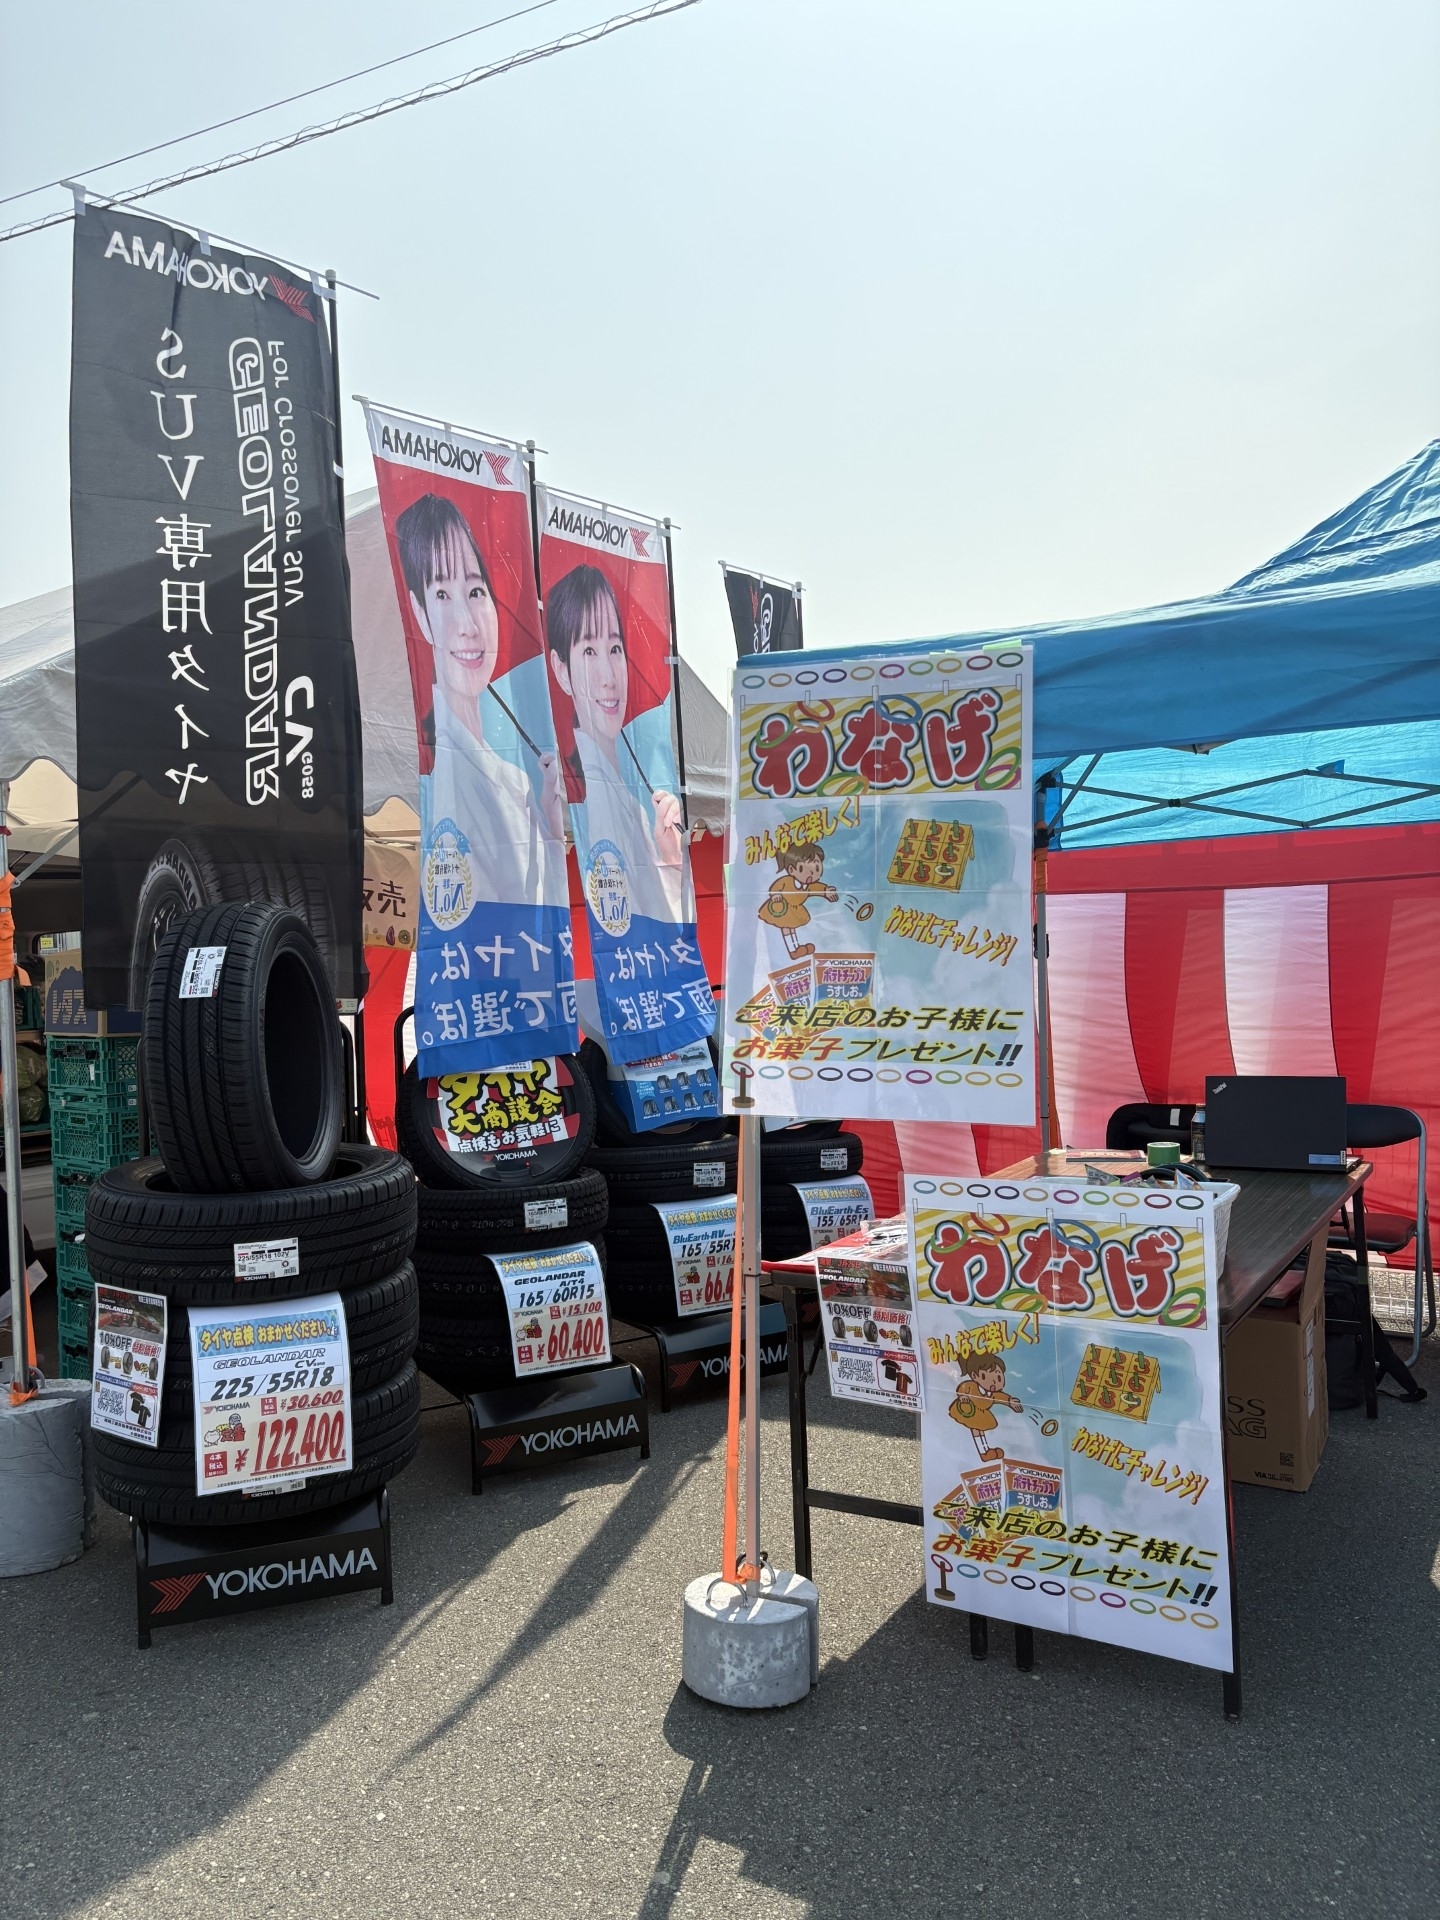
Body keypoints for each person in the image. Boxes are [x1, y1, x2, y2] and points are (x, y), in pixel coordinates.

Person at [395, 494, 564, 915]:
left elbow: (544, 904)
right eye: (441, 594)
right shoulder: (445, 776)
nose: (468, 625)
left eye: (475, 591)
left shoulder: (513, 775)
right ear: (419, 612)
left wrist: (549, 814)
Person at [545, 564, 683, 925]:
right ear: (561, 669)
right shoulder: (580, 795)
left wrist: (672, 858)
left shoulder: (638, 795)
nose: (609, 677)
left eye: (616, 648)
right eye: (589, 651)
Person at [757, 841, 839, 958]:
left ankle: (796, 947)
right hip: (781, 908)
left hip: (794, 909)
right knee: (786, 928)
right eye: (803, 868)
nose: (811, 873)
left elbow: (816, 888)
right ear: (791, 869)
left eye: (816, 868)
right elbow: (776, 887)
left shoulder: (808, 886)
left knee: (792, 928)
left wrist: (826, 891)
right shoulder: (787, 880)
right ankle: (792, 951)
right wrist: (775, 895)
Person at [948, 1355, 1023, 1462]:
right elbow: (962, 1388)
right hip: (967, 1410)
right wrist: (963, 1396)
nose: (994, 1382)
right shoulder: (971, 1386)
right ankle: (983, 1453)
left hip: (980, 1414)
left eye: (998, 1378)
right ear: (974, 1376)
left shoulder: (992, 1394)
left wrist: (1010, 1401)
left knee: (980, 1431)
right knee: (976, 1431)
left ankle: (986, 1451)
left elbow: (1001, 1397)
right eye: (984, 1376)